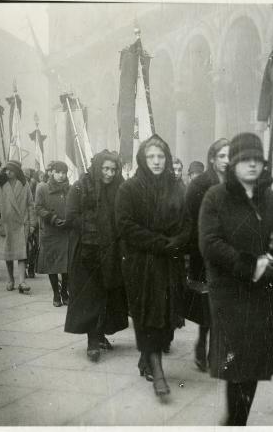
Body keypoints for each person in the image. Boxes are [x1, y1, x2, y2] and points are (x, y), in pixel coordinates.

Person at [199, 133, 273, 425]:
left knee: (252, 364)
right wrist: (250, 265)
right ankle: (235, 421)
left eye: (257, 160)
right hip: (230, 292)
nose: (252, 166)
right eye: (245, 160)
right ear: (233, 165)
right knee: (237, 364)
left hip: (262, 293)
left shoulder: (269, 199)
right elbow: (210, 243)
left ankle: (236, 420)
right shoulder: (216, 197)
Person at [116, 134, 190, 398]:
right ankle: (158, 372)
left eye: (161, 157)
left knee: (168, 318)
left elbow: (187, 224)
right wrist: (160, 243)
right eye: (151, 157)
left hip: (170, 263)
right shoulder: (130, 188)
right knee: (150, 316)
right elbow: (125, 226)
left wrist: (177, 243)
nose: (157, 162)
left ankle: (146, 357)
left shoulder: (177, 188)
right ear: (142, 159)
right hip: (142, 263)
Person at [64, 150, 128, 362]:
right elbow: (70, 216)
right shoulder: (81, 187)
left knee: (108, 295)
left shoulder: (120, 188)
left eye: (113, 169)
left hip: (112, 252)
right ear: (97, 168)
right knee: (90, 295)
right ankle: (92, 340)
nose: (109, 173)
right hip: (87, 251)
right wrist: (96, 226)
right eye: (105, 169)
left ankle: (100, 335)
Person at [184, 137, 229, 372]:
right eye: (222, 156)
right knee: (207, 302)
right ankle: (203, 344)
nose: (227, 160)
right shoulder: (200, 184)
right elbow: (189, 220)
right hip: (204, 252)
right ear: (212, 158)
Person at [0, 160, 37, 293]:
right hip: (5, 225)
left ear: (17, 172)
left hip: (21, 224)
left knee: (22, 254)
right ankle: (11, 279)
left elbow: (30, 205)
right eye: (6, 170)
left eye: (11, 170)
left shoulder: (24, 184)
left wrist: (32, 224)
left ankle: (22, 281)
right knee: (9, 254)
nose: (7, 172)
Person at [35, 161, 71, 307]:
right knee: (52, 265)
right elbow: (38, 207)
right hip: (51, 232)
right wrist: (52, 218)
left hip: (66, 231)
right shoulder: (42, 188)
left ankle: (64, 293)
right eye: (58, 172)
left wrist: (70, 220)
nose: (61, 175)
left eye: (64, 172)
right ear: (52, 172)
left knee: (66, 264)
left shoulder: (70, 188)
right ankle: (56, 293)